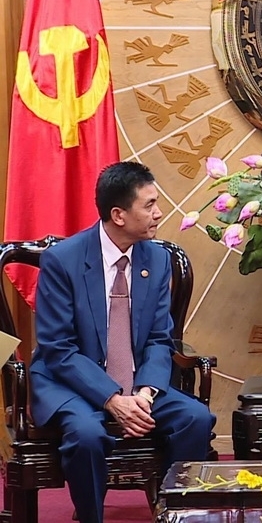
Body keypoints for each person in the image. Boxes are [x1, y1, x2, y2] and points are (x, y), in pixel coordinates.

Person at [30, 162, 215, 523]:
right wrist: (113, 399)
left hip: (138, 381)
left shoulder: (157, 259)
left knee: (195, 418)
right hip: (73, 383)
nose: (158, 213)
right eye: (149, 205)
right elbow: (58, 348)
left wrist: (144, 394)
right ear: (118, 215)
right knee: (86, 435)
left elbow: (160, 338)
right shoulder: (63, 260)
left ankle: (174, 513)